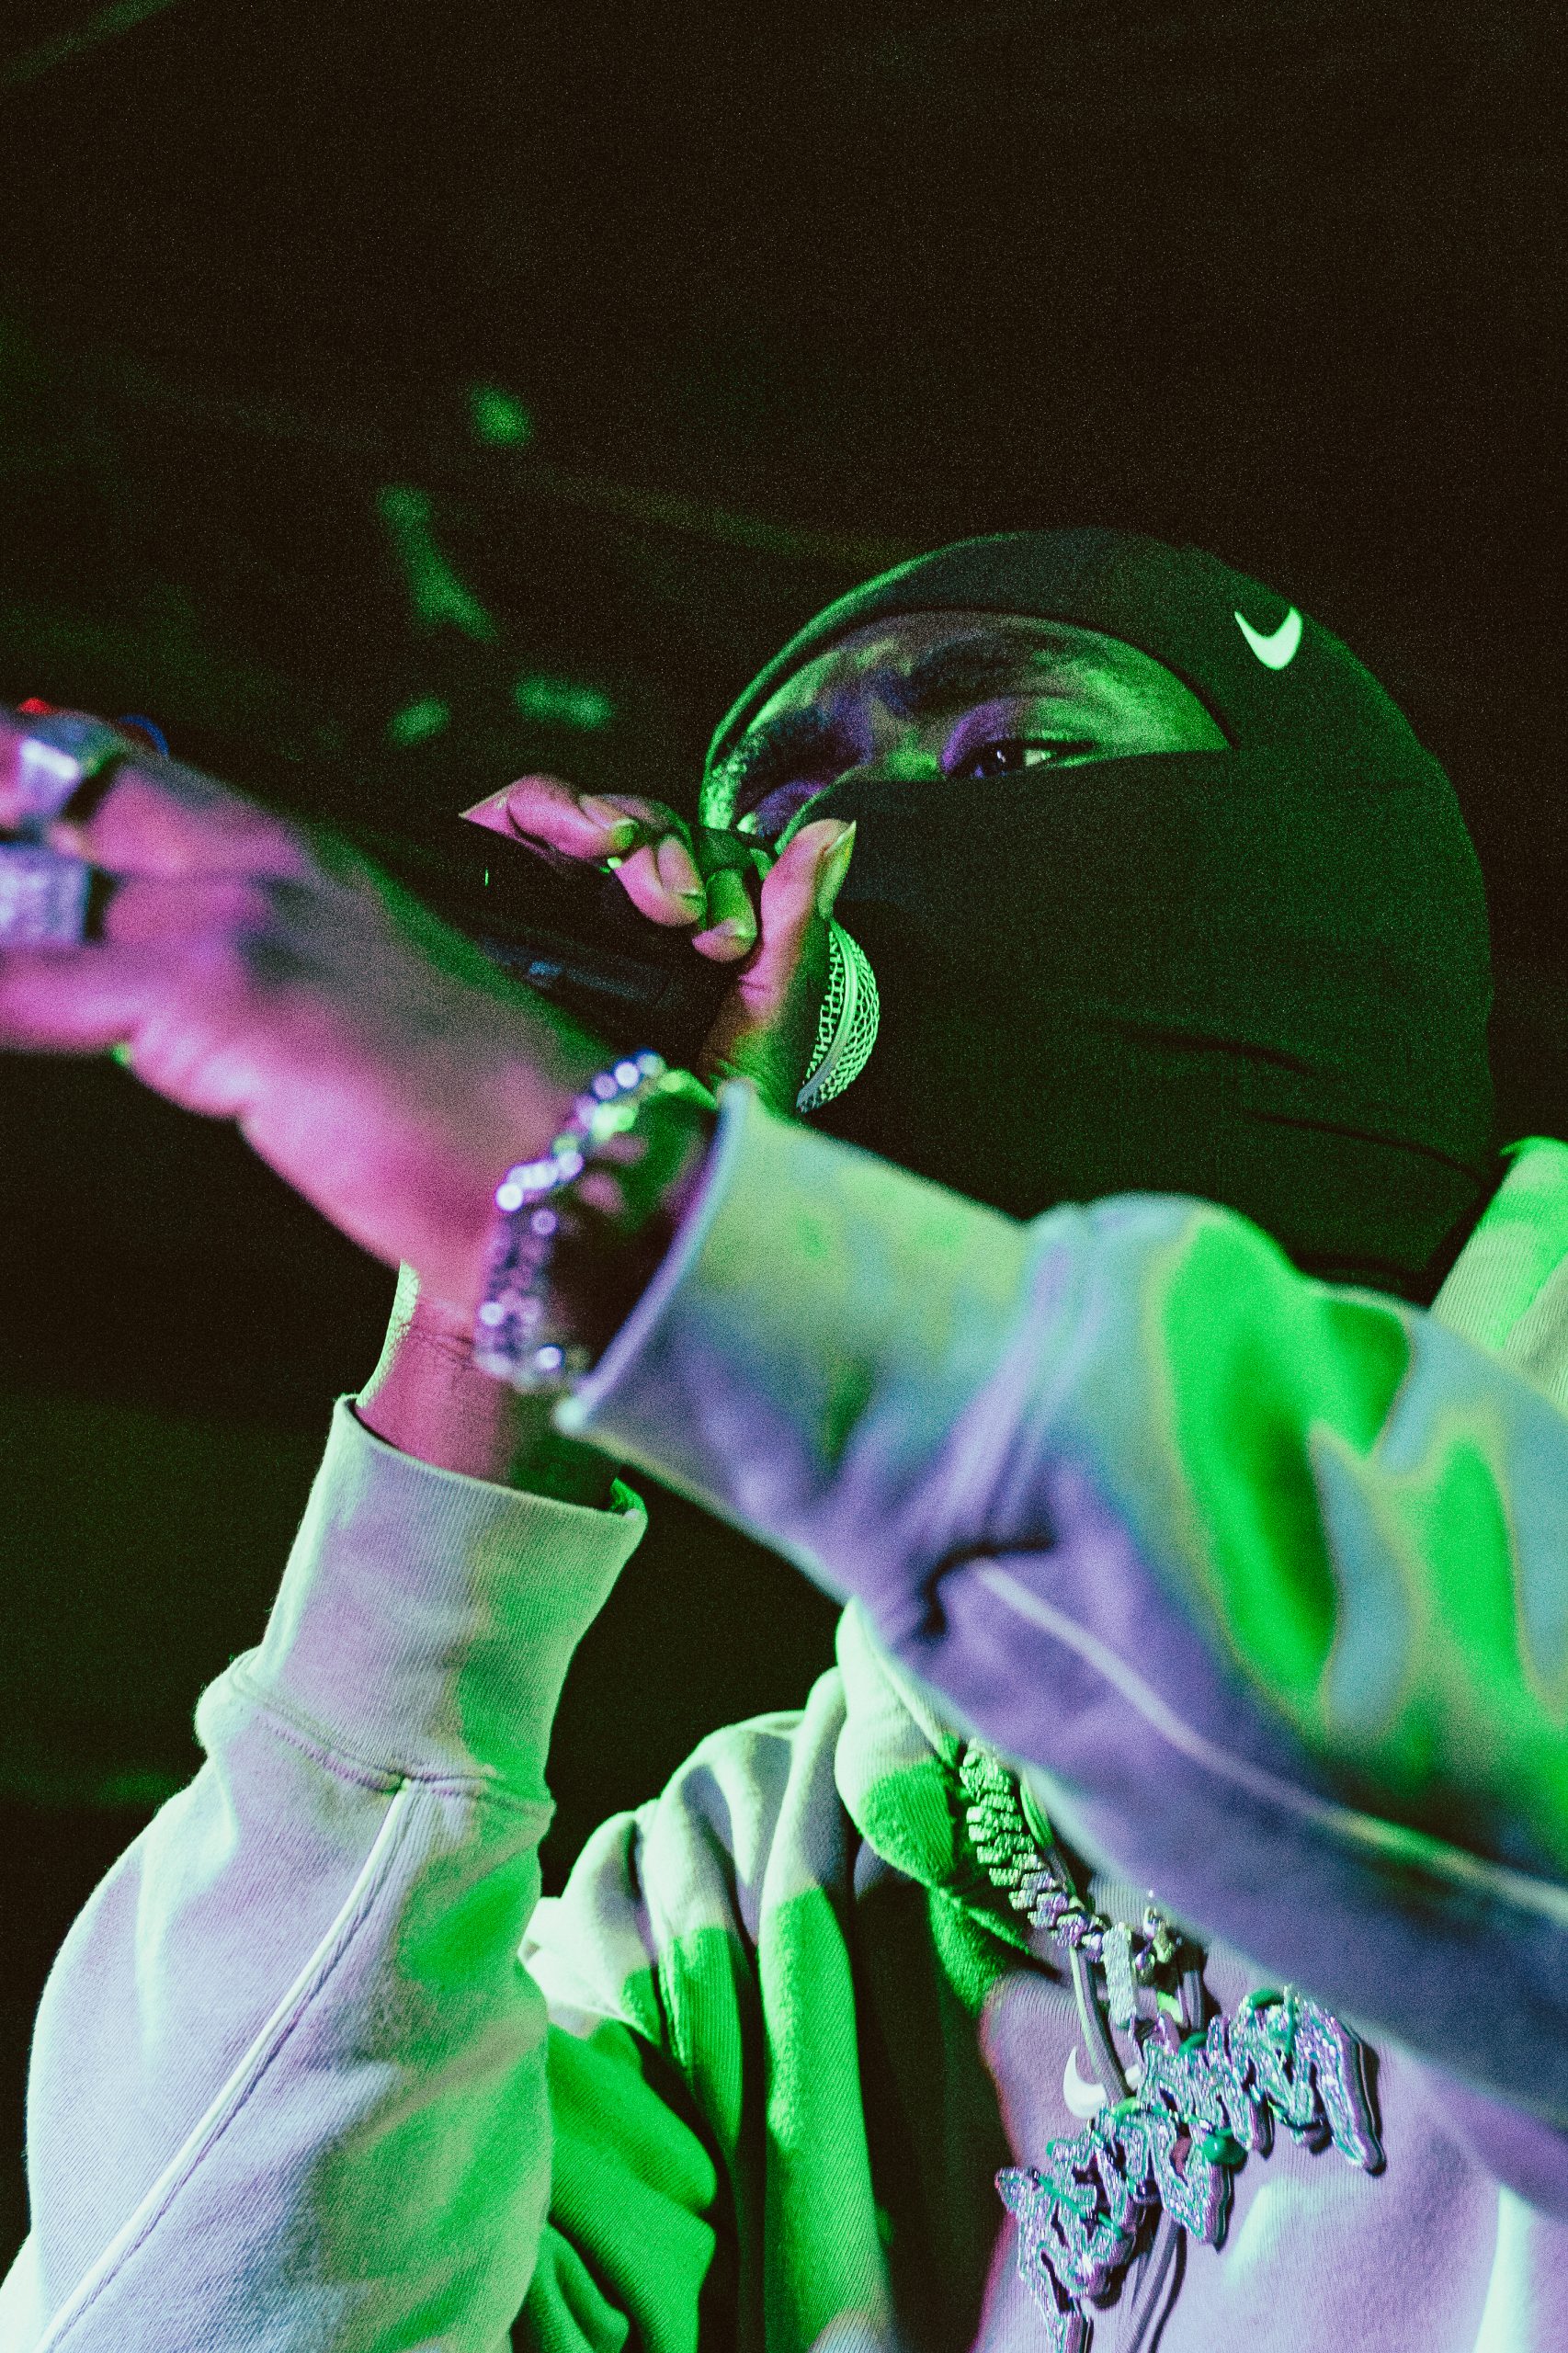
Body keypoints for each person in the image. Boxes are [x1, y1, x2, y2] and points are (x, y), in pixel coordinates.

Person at [0, 529, 1565, 2353]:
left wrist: (612, 1196)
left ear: (1326, 883)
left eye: (1011, 753)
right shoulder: (735, 1918)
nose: (827, 847)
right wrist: (490, 1337)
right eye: (767, 803)